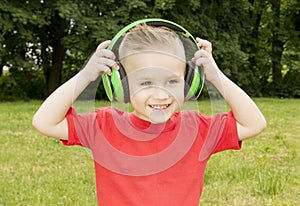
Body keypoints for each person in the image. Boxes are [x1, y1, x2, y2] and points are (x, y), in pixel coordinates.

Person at [32, 23, 266, 206]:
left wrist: (215, 76)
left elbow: (254, 123)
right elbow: (44, 122)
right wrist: (85, 76)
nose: (161, 94)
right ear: (120, 86)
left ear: (189, 82)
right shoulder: (104, 126)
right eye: (145, 82)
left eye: (172, 81)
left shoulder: (198, 129)